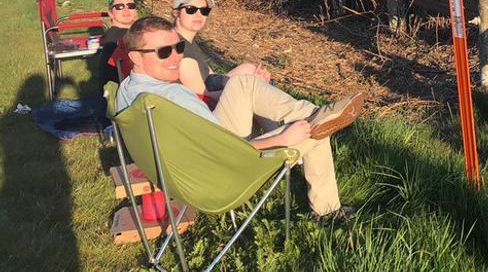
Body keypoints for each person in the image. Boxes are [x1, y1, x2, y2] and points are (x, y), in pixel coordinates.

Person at [115, 16, 364, 217]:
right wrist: (285, 139)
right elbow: (222, 152)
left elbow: (205, 140)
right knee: (315, 129)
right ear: (136, 56)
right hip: (224, 171)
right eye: (163, 52)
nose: (175, 57)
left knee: (243, 84)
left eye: (178, 47)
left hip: (191, 168)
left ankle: (316, 114)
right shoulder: (166, 102)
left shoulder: (129, 91)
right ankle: (327, 210)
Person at [171, 0, 270, 97]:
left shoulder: (188, 41)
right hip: (205, 104)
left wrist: (249, 76)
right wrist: (247, 87)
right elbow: (203, 97)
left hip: (210, 88)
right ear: (176, 13)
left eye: (204, 11)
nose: (199, 15)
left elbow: (210, 75)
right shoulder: (180, 48)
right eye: (191, 9)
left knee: (250, 70)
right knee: (260, 89)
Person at [98, 0, 140, 82]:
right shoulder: (118, 37)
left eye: (131, 6)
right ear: (111, 13)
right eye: (119, 7)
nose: (126, 9)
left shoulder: (115, 34)